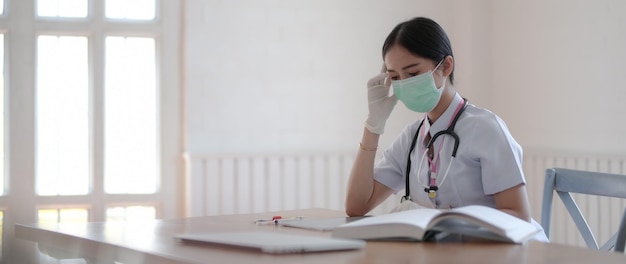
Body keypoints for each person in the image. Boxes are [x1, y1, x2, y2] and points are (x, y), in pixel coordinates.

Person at [344, 17, 548, 241]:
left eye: (412, 74)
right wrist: (374, 124)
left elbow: (518, 217)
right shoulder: (412, 137)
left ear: (446, 66)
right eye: (395, 77)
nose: (404, 83)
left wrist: (453, 227)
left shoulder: (486, 129)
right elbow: (357, 206)